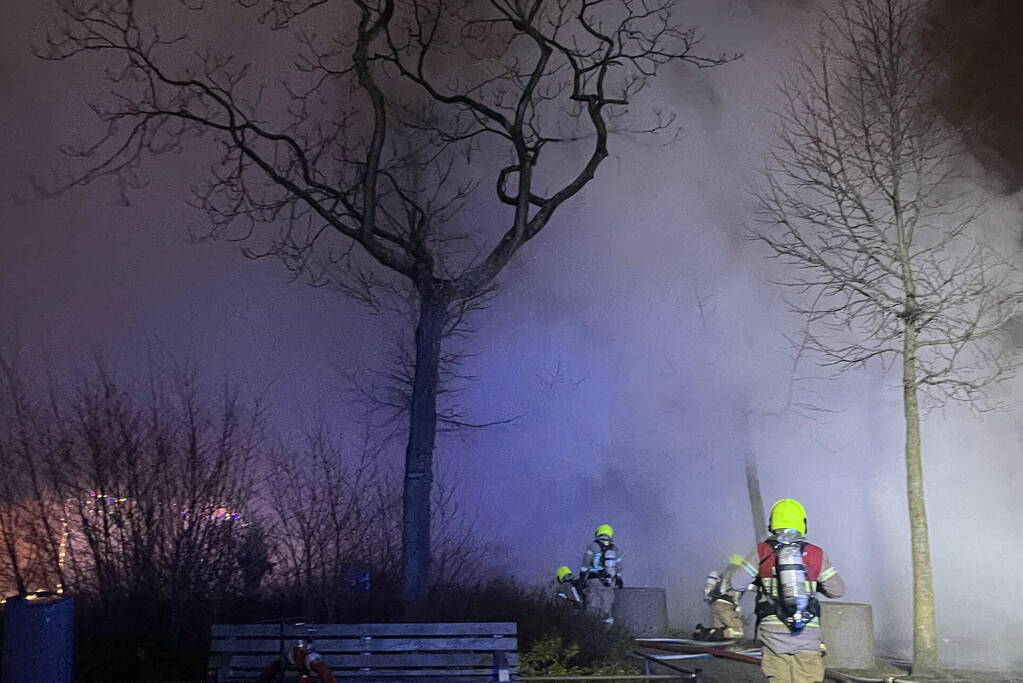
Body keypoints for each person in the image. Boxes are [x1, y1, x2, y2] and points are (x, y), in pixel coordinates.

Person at [724, 499, 844, 683]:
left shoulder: (762, 552)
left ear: (772, 523)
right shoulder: (816, 554)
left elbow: (737, 583)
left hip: (773, 636)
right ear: (802, 523)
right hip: (807, 634)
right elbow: (837, 590)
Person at [692, 556, 746, 641]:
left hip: (715, 605)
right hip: (726, 606)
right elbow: (748, 585)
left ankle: (703, 632)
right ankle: (704, 633)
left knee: (720, 630)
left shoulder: (723, 574)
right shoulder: (736, 574)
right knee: (738, 631)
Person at [580, 524, 623, 624]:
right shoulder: (615, 549)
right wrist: (619, 579)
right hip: (609, 582)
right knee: (607, 606)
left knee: (593, 604)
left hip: (594, 579)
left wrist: (582, 578)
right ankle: (607, 633)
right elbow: (619, 566)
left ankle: (591, 629)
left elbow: (585, 563)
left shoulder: (593, 546)